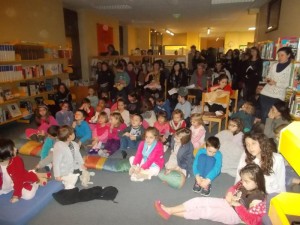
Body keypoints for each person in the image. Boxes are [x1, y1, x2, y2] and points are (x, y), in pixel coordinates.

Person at [155, 163, 266, 225]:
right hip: (227, 202)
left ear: (257, 181)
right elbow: (234, 187)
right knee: (198, 200)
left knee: (205, 211)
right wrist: (230, 193)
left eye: (246, 181)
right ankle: (170, 210)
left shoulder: (258, 199)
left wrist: (238, 207)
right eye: (242, 179)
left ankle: (169, 211)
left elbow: (253, 221)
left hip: (234, 215)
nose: (242, 182)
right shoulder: (244, 183)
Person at [0, 138, 50, 203]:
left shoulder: (16, 161)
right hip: (4, 186)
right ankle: (33, 174)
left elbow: (18, 180)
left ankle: (36, 181)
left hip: (18, 182)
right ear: (6, 155)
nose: (16, 149)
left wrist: (16, 195)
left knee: (28, 195)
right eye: (13, 149)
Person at [260, 47, 294, 123]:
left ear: (288, 55)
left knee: (270, 116)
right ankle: (262, 131)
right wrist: (268, 79)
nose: (279, 57)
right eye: (278, 55)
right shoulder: (274, 65)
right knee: (263, 115)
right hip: (265, 93)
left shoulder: (291, 68)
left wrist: (276, 83)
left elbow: (289, 84)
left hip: (277, 96)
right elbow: (269, 75)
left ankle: (267, 131)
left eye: (282, 55)